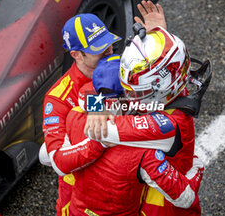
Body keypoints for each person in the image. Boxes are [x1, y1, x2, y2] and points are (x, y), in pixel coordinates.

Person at [40, 1, 168, 215]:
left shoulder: (125, 64)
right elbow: (59, 163)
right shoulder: (57, 99)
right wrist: (102, 138)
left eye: (108, 42)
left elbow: (167, 77)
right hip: (84, 199)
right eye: (99, 49)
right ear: (76, 55)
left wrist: (159, 38)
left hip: (131, 184)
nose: (109, 51)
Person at [60, 28, 205, 215]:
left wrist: (97, 107)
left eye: (138, 92)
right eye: (126, 89)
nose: (131, 98)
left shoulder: (76, 116)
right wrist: (197, 167)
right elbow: (186, 197)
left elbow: (52, 158)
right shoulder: (145, 149)